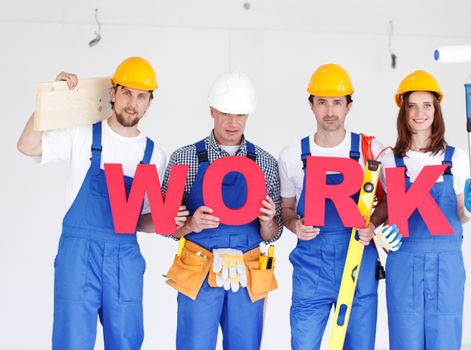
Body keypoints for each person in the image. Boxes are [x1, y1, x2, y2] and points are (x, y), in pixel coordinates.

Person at [17, 57, 168, 350]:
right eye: (126, 92)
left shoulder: (154, 155)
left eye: (141, 96)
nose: (132, 102)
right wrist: (50, 101)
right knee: (72, 341)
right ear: (112, 93)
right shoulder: (82, 134)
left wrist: (172, 221)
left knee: (126, 342)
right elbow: (27, 145)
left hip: (124, 259)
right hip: (79, 257)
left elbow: (144, 220)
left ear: (149, 102)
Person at [279, 63, 398, 350]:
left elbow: (392, 200)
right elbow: (286, 209)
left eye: (337, 103)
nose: (329, 111)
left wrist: (373, 224)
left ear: (348, 106)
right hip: (311, 271)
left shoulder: (372, 150)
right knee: (304, 345)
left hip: (358, 263)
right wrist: (295, 225)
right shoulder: (293, 155)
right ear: (311, 106)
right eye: (322, 102)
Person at [162, 71, 282, 350]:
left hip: (247, 272)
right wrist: (191, 224)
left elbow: (273, 233)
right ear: (212, 111)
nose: (233, 122)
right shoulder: (184, 158)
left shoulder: (264, 162)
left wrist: (266, 222)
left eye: (240, 114)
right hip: (198, 270)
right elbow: (167, 226)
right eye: (226, 113)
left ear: (248, 116)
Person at [383, 70, 471, 350]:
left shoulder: (457, 159)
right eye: (412, 105)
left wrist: (470, 206)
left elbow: (461, 217)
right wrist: (383, 235)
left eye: (427, 105)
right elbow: (388, 216)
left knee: (445, 341)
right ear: (403, 111)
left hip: (446, 266)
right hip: (404, 265)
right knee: (405, 341)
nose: (420, 112)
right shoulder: (390, 161)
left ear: (436, 109)